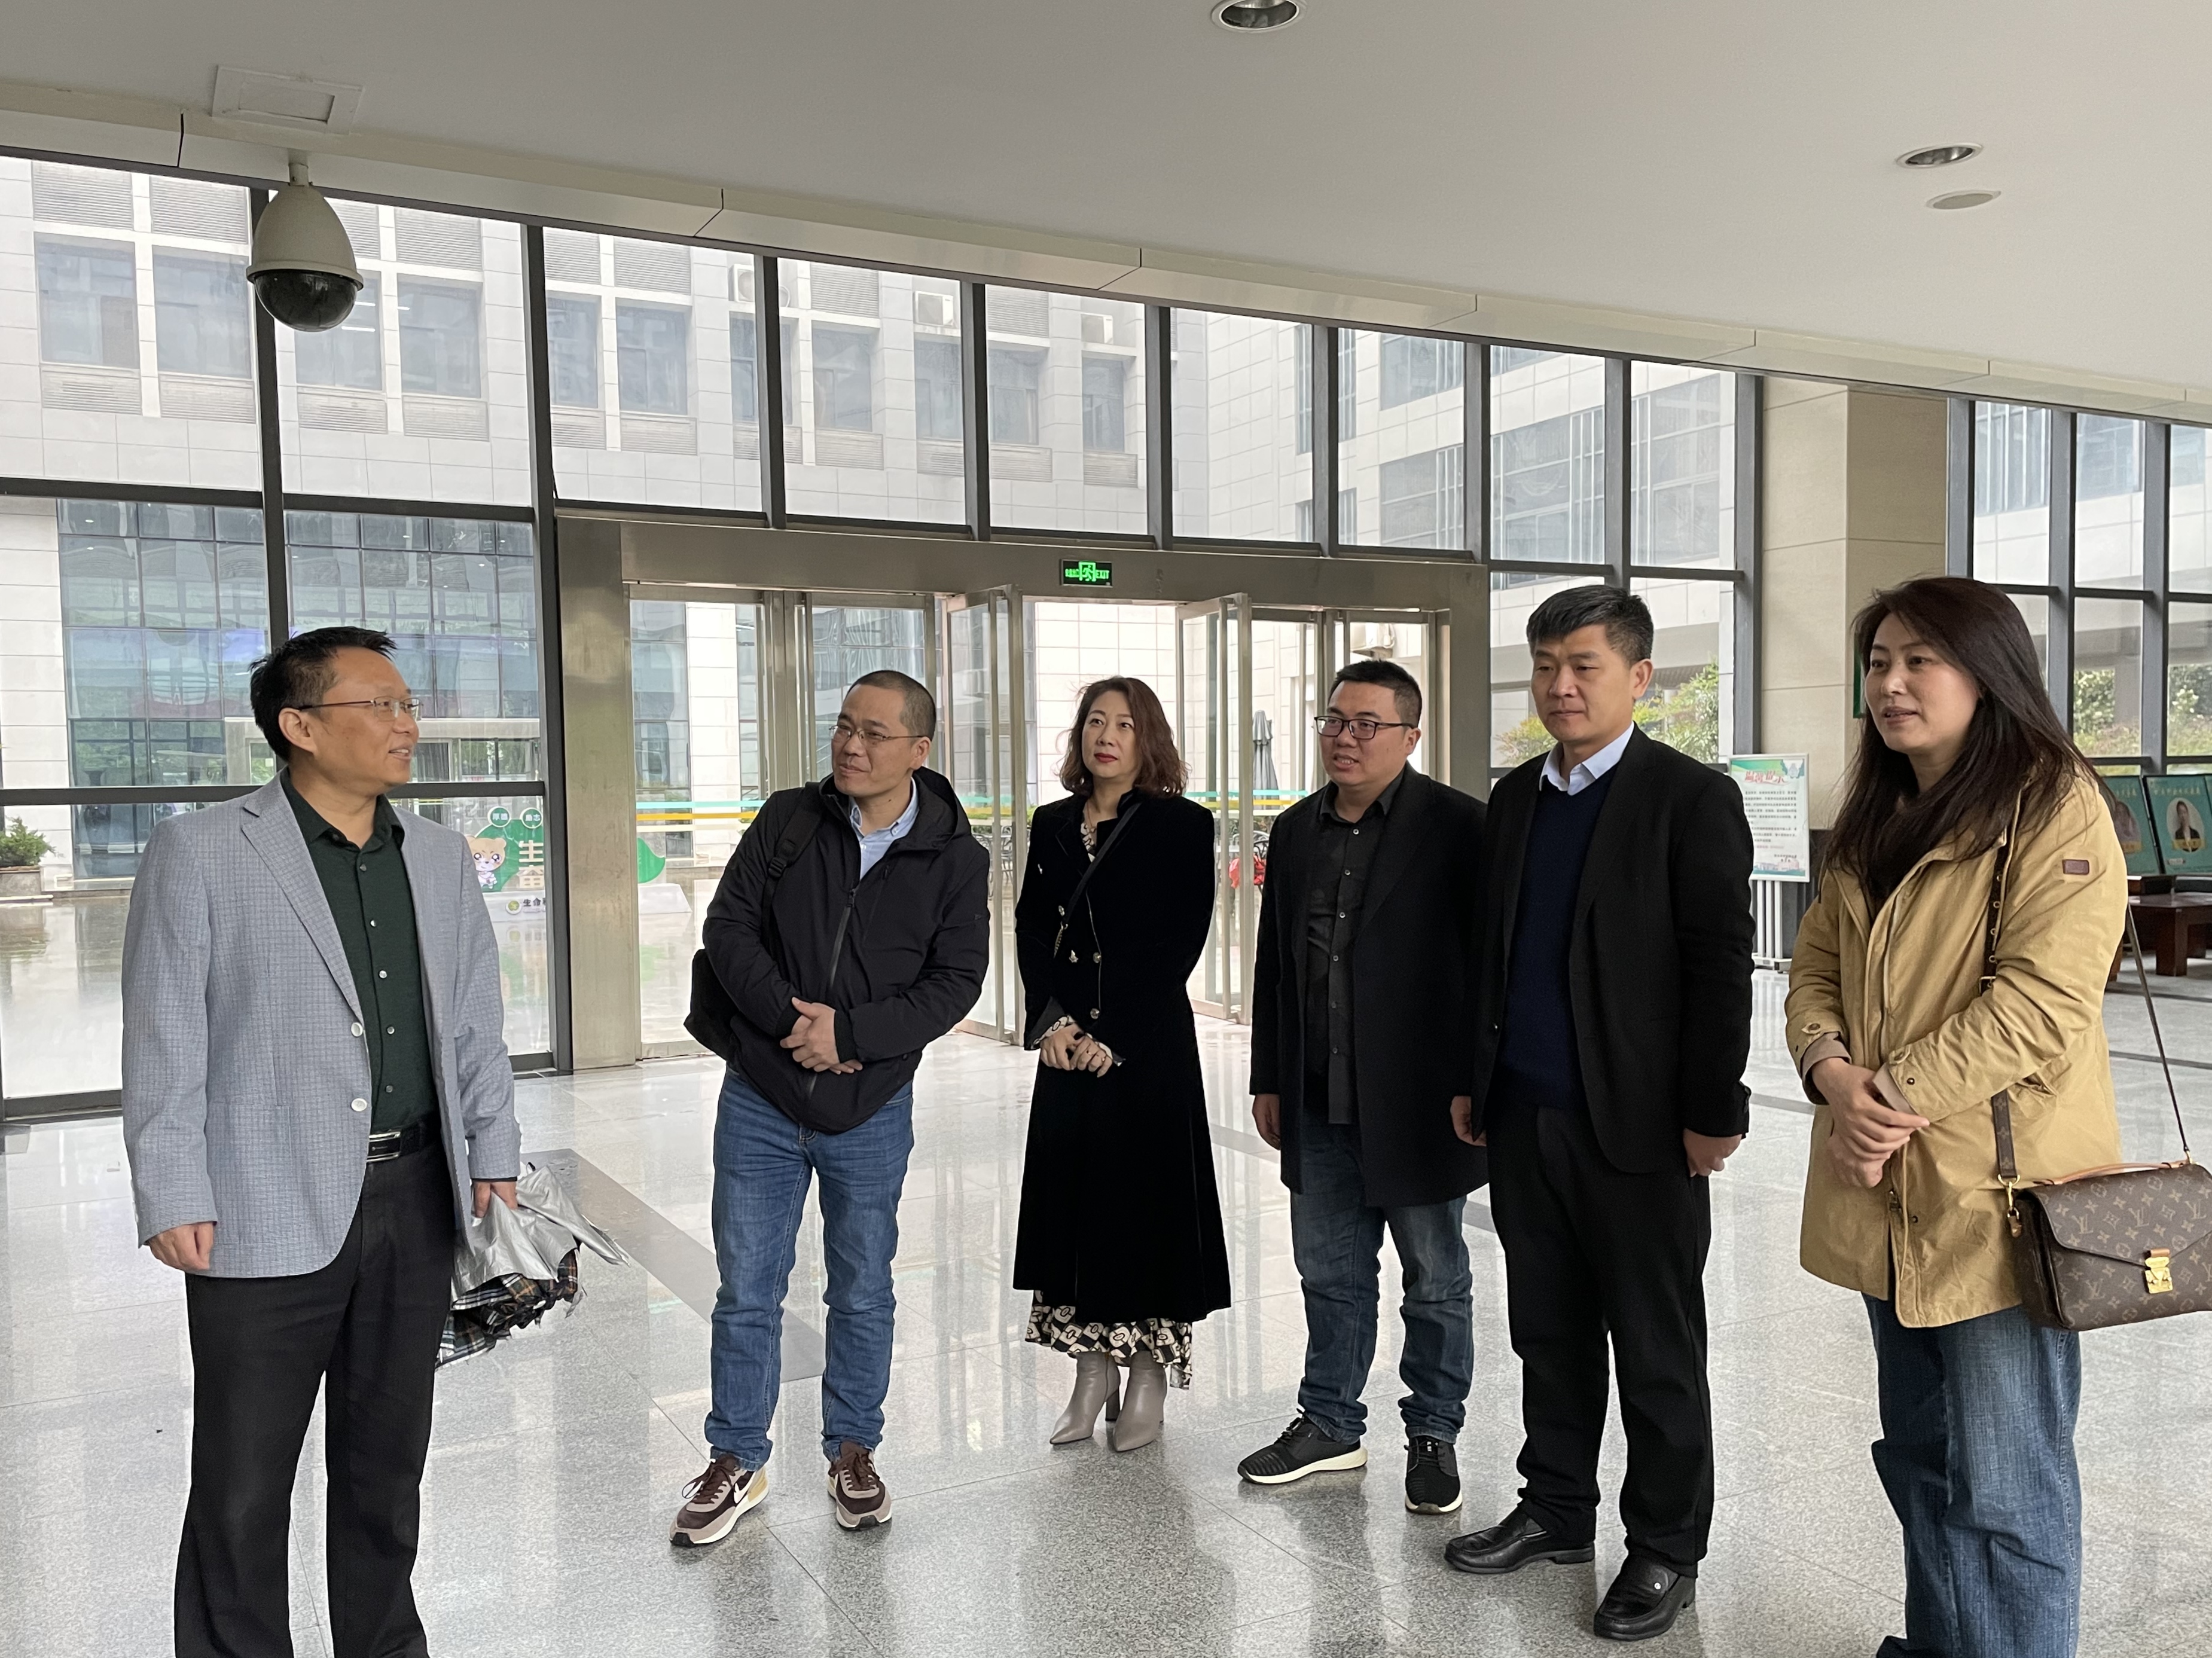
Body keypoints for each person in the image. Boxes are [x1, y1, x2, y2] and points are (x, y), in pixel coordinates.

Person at [121, 627, 521, 1658]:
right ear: (299, 726)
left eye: (408, 704)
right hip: (258, 1199)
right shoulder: (203, 850)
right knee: (243, 1481)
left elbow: (473, 1018)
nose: (407, 724)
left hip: (417, 1193)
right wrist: (170, 1186)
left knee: (388, 1466)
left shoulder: (436, 855)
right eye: (380, 705)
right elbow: (165, 1031)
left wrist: (494, 1148)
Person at [1788, 577, 2124, 1658]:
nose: (1891, 683)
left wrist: (1886, 1097)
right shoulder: (1876, 813)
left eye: (1919, 660)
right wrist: (1831, 1071)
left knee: (2009, 1484)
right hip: (1886, 1195)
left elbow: (2043, 1003)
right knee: (1922, 1460)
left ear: (1988, 672)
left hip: (1998, 1205)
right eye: (1879, 661)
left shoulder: (2052, 803)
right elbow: (1814, 967)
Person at [1446, 585, 1753, 1644]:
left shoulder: (1690, 797)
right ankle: (1557, 1507)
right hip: (1526, 1114)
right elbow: (1490, 954)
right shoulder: (1514, 798)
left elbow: (1720, 965)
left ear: (1639, 677)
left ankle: (1666, 1544)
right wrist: (1475, 1078)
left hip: (1643, 1128)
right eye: (1545, 666)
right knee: (1549, 1330)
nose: (1560, 685)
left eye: (1583, 665)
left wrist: (1713, 1109)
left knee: (1657, 1347)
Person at [672, 669, 989, 1546]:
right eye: (845, 726)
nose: (851, 745)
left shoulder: (956, 858)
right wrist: (792, 1024)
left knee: (863, 1286)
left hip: (870, 1103)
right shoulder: (789, 819)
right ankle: (736, 1457)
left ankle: (854, 1449)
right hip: (762, 1095)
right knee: (747, 1287)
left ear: (919, 750)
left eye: (874, 733)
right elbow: (727, 928)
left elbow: (956, 982)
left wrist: (849, 1033)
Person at [1237, 659, 1487, 1516]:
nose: (1346, 738)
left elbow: (1485, 971)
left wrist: (1477, 1083)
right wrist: (1269, 1076)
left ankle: (1435, 1430)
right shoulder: (1295, 830)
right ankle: (1331, 1422)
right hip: (1316, 1094)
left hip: (1421, 1100)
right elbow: (1276, 965)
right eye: (1335, 721)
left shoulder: (1460, 826)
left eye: (1367, 724)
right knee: (1329, 1272)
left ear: (1410, 736)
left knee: (1435, 1276)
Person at [1012, 677, 1231, 1451]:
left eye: (1126, 724)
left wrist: (1116, 1035)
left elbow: (1181, 939)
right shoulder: (1051, 823)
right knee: (1077, 1207)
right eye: (1095, 722)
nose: (1107, 736)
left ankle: (1146, 1376)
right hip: (1067, 1048)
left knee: (1146, 1210)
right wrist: (1052, 1020)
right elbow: (1032, 929)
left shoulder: (1182, 824)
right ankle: (1090, 1373)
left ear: (1150, 739)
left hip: (1145, 1050)